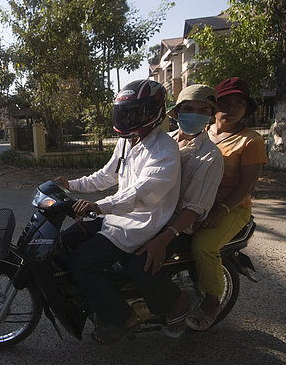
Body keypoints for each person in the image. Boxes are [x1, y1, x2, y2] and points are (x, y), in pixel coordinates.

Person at [55, 79, 181, 344]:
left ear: (154, 112)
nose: (128, 118)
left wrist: (99, 206)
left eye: (136, 112)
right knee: (64, 242)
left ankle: (124, 318)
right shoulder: (128, 141)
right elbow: (106, 176)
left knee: (83, 262)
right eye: (125, 112)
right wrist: (70, 185)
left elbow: (141, 194)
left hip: (141, 223)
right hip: (116, 216)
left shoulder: (165, 149)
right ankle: (99, 296)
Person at [134, 84, 224, 338]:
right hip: (149, 216)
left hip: (175, 226)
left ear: (210, 116)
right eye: (189, 109)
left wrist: (163, 239)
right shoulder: (162, 141)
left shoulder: (210, 156)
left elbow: (194, 209)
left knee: (140, 263)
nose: (195, 114)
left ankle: (178, 301)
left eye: (203, 110)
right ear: (177, 112)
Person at [186, 77, 268, 331]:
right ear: (214, 105)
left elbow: (245, 186)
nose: (231, 108)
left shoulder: (250, 141)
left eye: (239, 103)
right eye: (225, 102)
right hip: (195, 202)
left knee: (203, 246)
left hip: (231, 208)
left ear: (246, 109)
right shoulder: (201, 132)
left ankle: (212, 302)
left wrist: (221, 210)